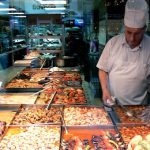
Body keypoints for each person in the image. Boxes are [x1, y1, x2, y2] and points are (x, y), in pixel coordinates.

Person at [96, 0, 150, 105]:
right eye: (129, 32)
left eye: (137, 33)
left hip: (139, 109)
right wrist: (105, 90)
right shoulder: (112, 43)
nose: (132, 38)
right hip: (112, 104)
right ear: (124, 27)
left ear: (144, 29)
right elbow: (102, 69)